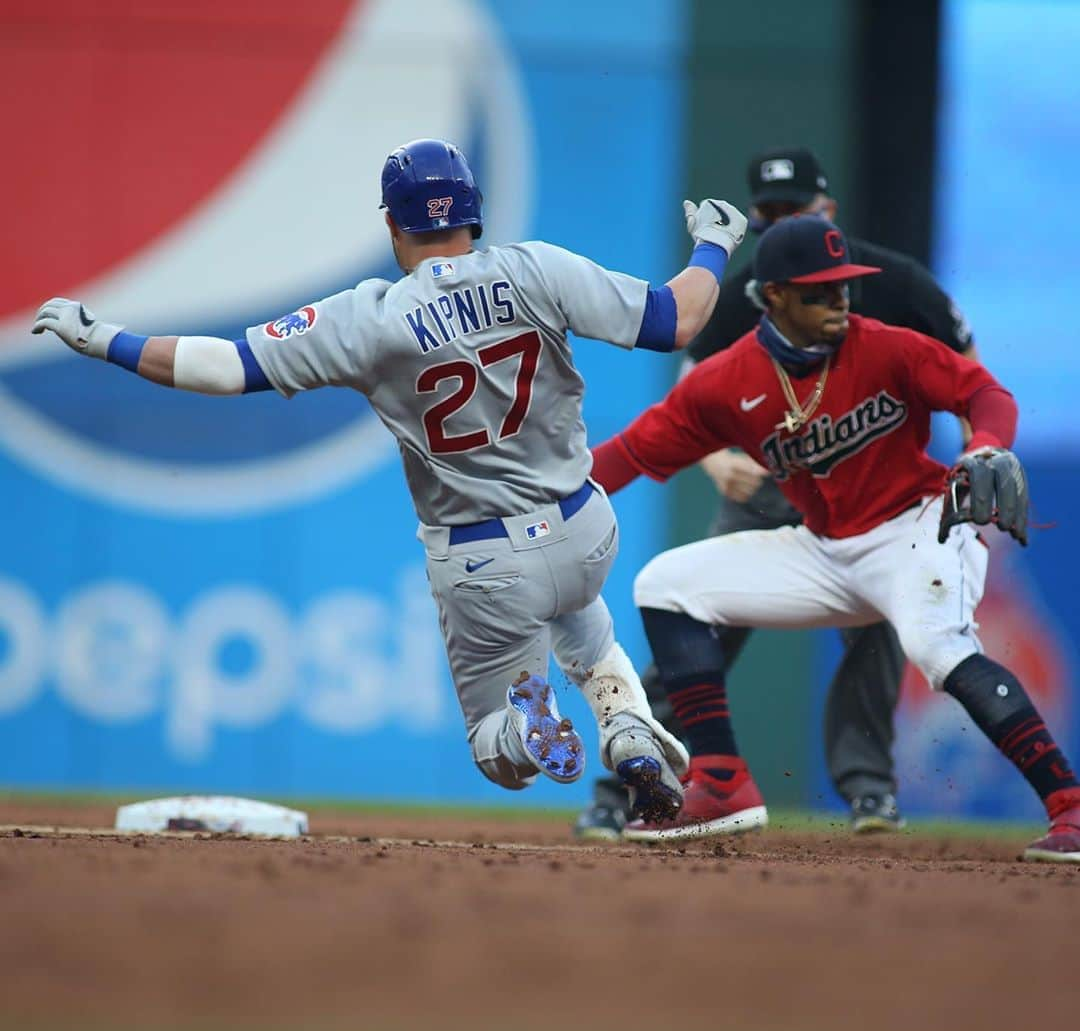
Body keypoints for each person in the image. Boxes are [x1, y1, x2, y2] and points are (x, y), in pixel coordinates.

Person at [31, 138, 750, 824]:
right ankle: (627, 729)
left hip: (484, 558)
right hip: (583, 526)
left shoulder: (369, 317)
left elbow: (224, 368)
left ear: (390, 222)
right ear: (474, 210)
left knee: (497, 752)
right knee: (585, 625)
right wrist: (715, 244)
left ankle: (531, 731)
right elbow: (677, 317)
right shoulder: (538, 269)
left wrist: (104, 339)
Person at [586, 213, 1080, 863]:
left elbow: (983, 394)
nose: (838, 302)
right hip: (826, 550)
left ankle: (1069, 806)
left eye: (843, 288)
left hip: (917, 529)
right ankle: (723, 781)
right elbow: (627, 455)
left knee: (937, 646)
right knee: (666, 585)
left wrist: (987, 444)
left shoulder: (885, 346)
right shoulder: (725, 381)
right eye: (819, 291)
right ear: (773, 297)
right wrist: (544, 501)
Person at [573, 146, 979, 841]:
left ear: (829, 210)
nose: (784, 221)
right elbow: (691, 403)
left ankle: (869, 792)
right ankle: (629, 785)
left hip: (872, 490)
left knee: (878, 628)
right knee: (694, 615)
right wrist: (716, 462)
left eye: (797, 208)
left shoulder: (894, 282)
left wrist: (978, 458)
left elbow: (966, 372)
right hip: (773, 482)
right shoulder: (754, 290)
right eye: (771, 212)